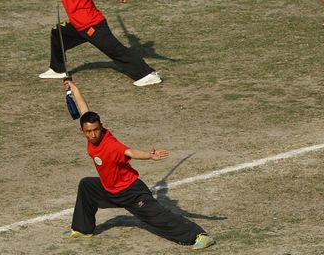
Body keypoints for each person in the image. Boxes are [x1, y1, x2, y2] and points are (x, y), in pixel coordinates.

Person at [60, 77, 213, 246]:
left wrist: (149, 155)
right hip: (109, 188)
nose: (93, 134)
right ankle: (82, 229)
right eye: (88, 131)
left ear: (101, 127)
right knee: (87, 186)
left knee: (158, 216)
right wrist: (74, 88)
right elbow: (84, 110)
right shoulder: (89, 132)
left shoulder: (110, 144)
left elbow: (130, 152)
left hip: (130, 191)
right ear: (83, 130)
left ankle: (199, 235)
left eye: (96, 130)